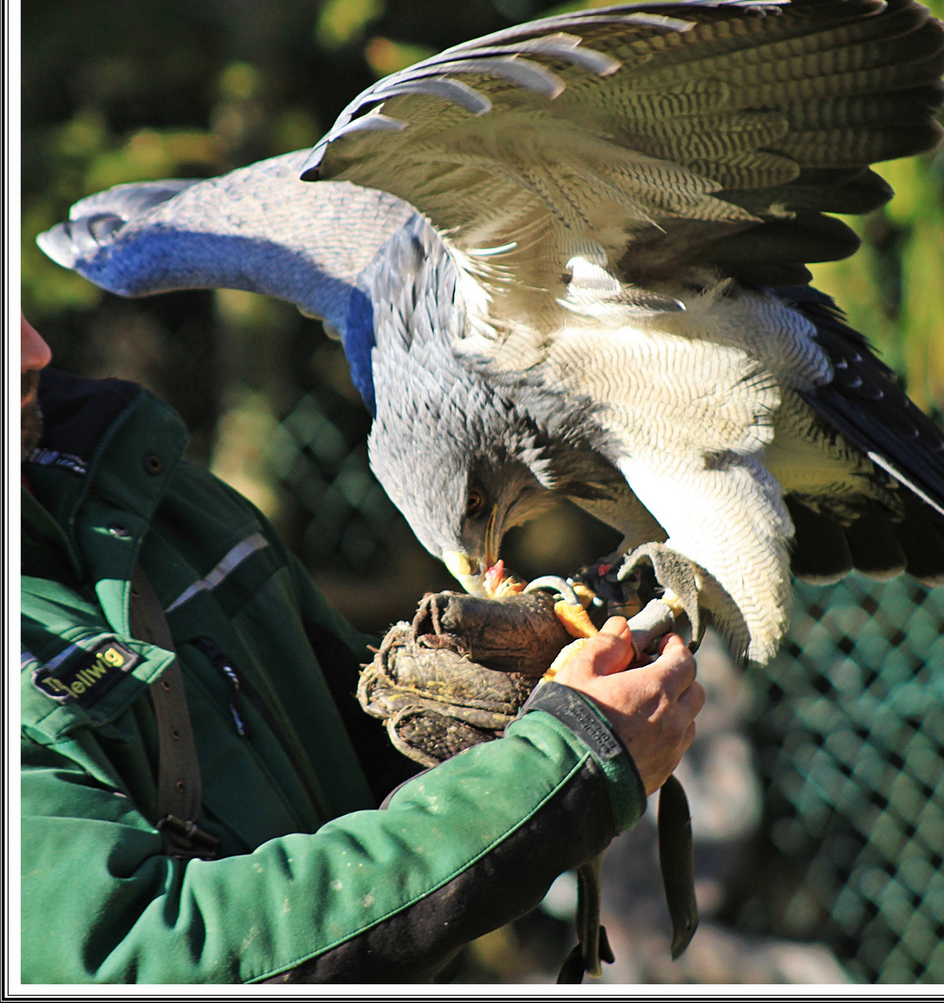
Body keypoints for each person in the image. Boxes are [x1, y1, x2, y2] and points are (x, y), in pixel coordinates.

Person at [18, 310, 704, 983]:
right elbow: (153, 955)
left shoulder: (145, 482)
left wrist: (512, 714)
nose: (34, 348)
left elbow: (361, 749)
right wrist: (558, 769)